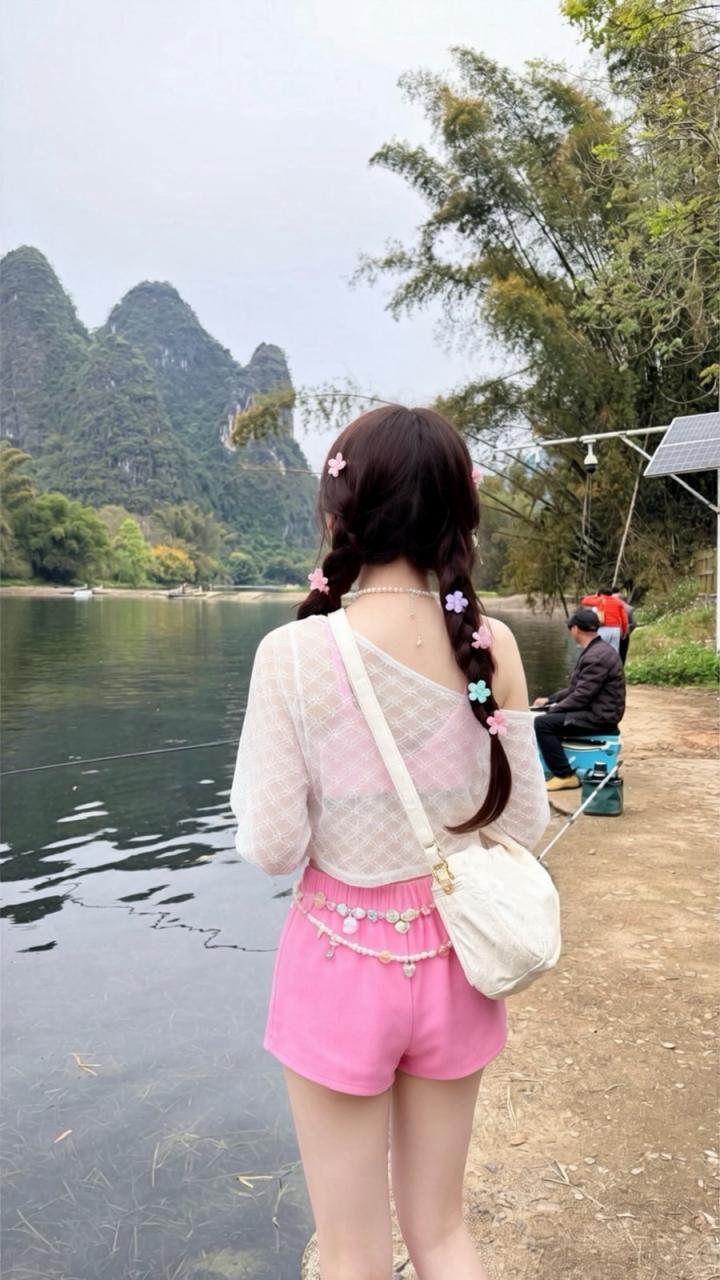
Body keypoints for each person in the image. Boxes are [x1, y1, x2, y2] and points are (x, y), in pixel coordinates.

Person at [230, 405, 550, 1280]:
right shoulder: (490, 645)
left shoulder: (294, 653)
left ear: (340, 508)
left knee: (352, 1253)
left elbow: (273, 845)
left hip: (339, 963)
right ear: (460, 511)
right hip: (457, 963)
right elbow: (521, 825)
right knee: (442, 1233)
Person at [533, 607, 625, 791]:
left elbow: (581, 697)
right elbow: (576, 689)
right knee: (547, 717)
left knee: (543, 724)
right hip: (598, 711)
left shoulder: (596, 656)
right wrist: (550, 700)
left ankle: (565, 775)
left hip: (600, 716)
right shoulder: (598, 649)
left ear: (575, 629)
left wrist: (552, 710)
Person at [580, 587, 628, 652]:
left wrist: (596, 595)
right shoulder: (618, 602)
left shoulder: (600, 600)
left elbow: (584, 600)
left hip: (604, 628)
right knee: (614, 652)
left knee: (599, 650)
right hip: (616, 629)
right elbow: (624, 619)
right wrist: (624, 633)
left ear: (601, 594)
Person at [614, 589, 636, 666]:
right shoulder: (629, 608)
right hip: (624, 635)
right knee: (622, 654)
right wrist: (627, 631)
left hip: (611, 632)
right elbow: (634, 624)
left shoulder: (609, 606)